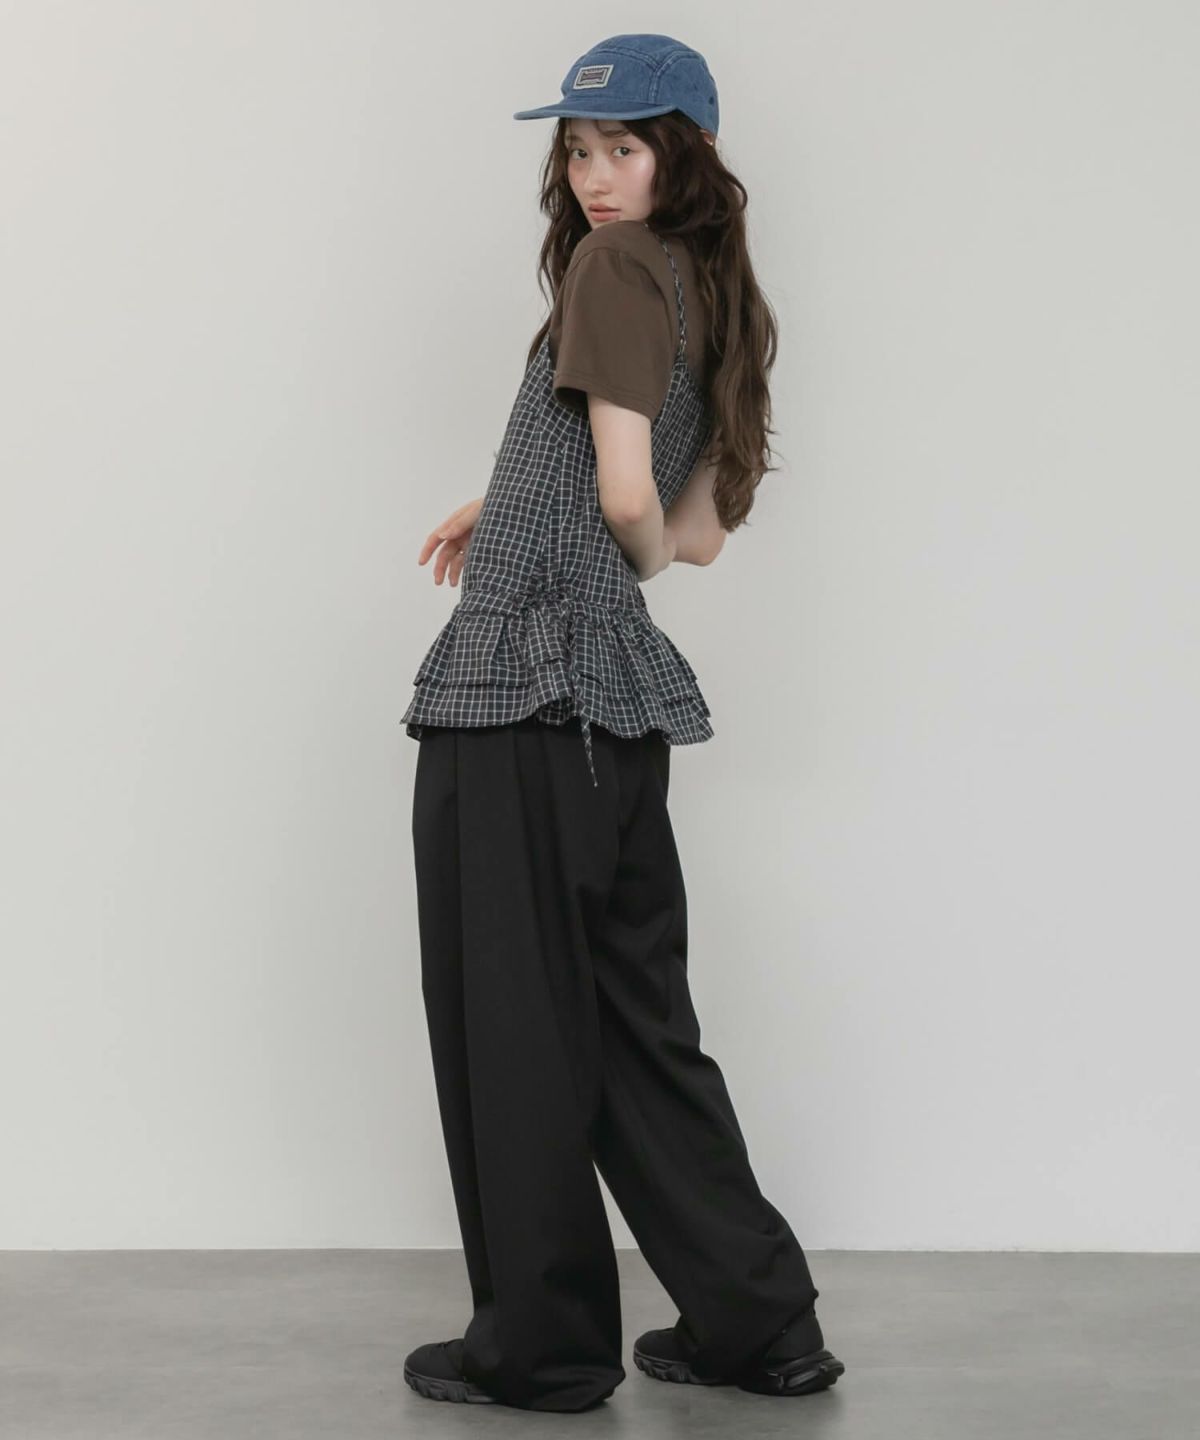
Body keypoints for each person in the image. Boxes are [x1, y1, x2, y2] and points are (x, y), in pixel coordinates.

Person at [400, 33, 845, 1413]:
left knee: (514, 1027)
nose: (597, 176)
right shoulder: (718, 297)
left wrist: (604, 541)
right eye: (580, 151)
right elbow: (702, 524)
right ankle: (760, 1324)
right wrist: (514, 499)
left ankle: (541, 1350)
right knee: (641, 1029)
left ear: (683, 156)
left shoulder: (609, 269)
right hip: (614, 722)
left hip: (518, 703)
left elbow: (641, 517)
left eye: (626, 148)